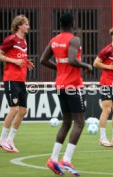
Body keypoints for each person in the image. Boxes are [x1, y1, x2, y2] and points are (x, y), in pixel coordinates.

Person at [40, 13, 92, 176]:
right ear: (73, 23)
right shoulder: (74, 39)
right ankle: (67, 160)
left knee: (66, 122)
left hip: (60, 85)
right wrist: (86, 65)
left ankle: (53, 159)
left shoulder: (54, 40)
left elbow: (43, 59)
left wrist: (60, 70)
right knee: (79, 123)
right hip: (74, 85)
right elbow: (71, 60)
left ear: (60, 24)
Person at [0, 15, 34, 153]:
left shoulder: (24, 41)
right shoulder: (11, 39)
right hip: (11, 79)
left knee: (23, 110)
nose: (28, 26)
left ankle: (10, 140)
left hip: (21, 79)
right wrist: (14, 61)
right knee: (14, 109)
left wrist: (25, 61)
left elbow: (19, 56)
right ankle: (1, 139)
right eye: (26, 24)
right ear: (19, 26)